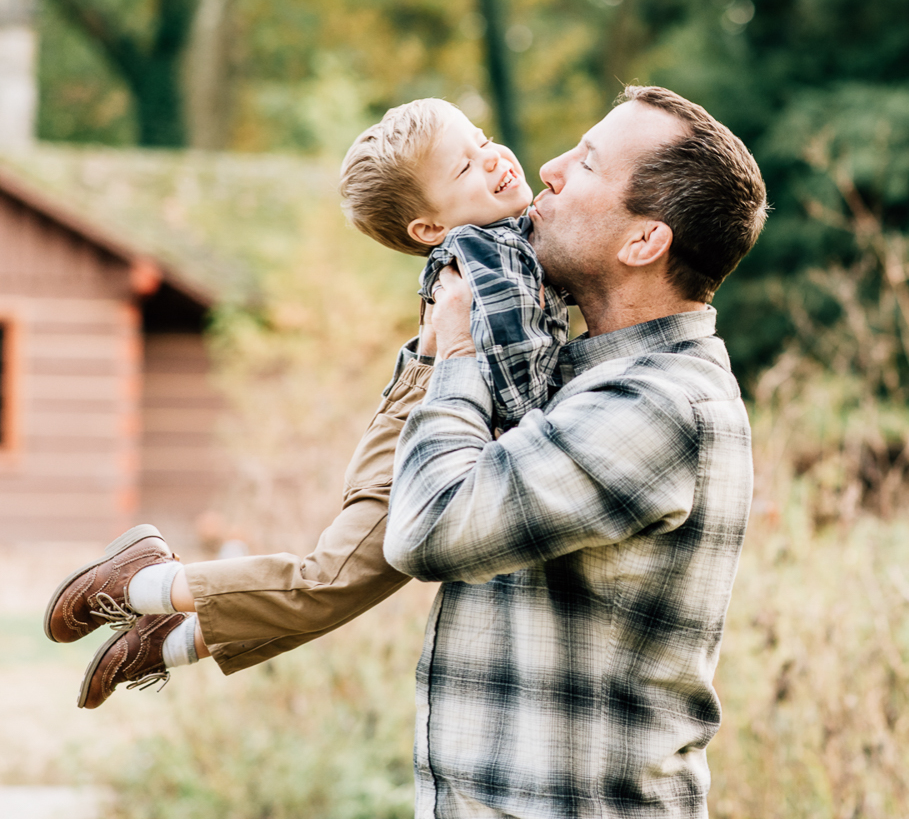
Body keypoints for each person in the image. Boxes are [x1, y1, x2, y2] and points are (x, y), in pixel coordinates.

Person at [43, 97, 566, 708]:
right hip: (421, 429)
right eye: (466, 168)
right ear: (428, 230)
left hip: (417, 410)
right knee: (332, 582)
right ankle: (140, 582)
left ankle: (168, 638)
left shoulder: (504, 239)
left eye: (482, 141)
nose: (494, 159)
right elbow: (522, 372)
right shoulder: (485, 257)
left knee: (336, 587)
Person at [385, 85, 767, 818]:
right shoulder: (558, 368)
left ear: (643, 242)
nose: (549, 169)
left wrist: (459, 349)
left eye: (588, 163)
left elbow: (428, 529)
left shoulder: (661, 404)